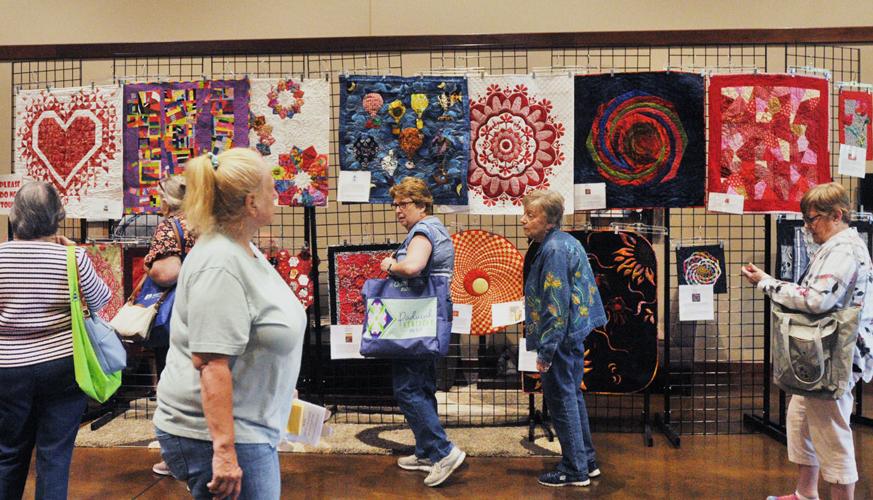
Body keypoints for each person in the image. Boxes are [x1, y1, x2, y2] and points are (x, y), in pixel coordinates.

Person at [153, 148, 306, 500]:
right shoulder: (219, 262)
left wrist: (277, 385)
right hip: (217, 434)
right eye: (271, 189)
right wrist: (223, 453)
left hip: (247, 427)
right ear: (251, 203)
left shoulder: (242, 250)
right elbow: (211, 363)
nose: (277, 196)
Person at [742, 182, 873, 500]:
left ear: (837, 215)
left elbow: (817, 300)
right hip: (822, 355)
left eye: (813, 218)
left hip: (834, 358)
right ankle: (805, 494)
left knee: (831, 433)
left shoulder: (844, 250)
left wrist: (768, 284)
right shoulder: (838, 246)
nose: (807, 226)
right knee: (800, 419)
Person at [0, 182, 111, 499]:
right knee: (54, 456)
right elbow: (101, 299)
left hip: (7, 369)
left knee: (7, 454)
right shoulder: (71, 258)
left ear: (15, 216)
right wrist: (73, 252)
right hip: (63, 366)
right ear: (58, 217)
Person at [379, 176, 466, 488]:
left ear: (421, 204)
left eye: (403, 204)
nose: (398, 211)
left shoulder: (423, 230)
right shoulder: (437, 229)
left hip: (416, 318)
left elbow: (413, 267)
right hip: (430, 318)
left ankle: (443, 452)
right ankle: (426, 451)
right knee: (423, 385)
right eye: (395, 205)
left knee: (408, 389)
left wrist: (390, 264)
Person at [520, 190, 606, 488]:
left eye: (531, 215)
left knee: (561, 399)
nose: (523, 220)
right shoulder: (565, 242)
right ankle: (587, 461)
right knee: (572, 395)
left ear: (549, 220)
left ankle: (574, 470)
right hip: (572, 334)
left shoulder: (553, 250)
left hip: (561, 338)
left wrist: (545, 352)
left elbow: (555, 305)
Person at [145, 175, 195, 477]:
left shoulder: (170, 226)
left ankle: (174, 457)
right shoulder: (208, 224)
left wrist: (151, 267)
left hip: (176, 318)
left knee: (172, 387)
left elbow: (167, 272)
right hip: (207, 315)